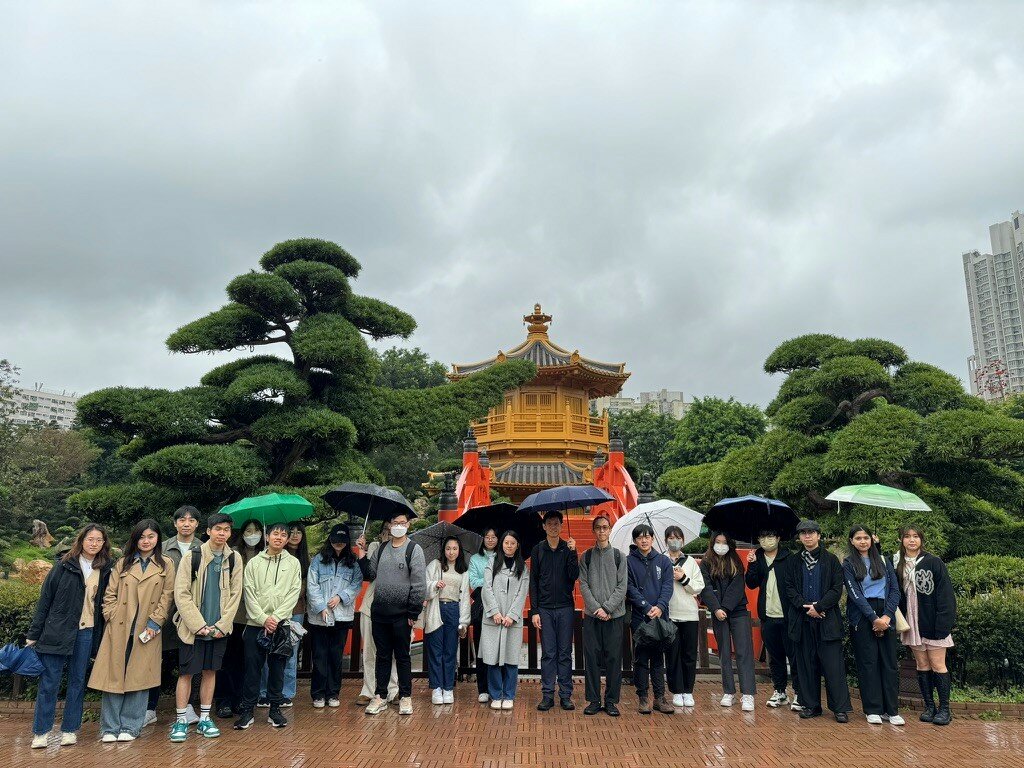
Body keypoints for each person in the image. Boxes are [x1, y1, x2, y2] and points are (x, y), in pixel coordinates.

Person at [89, 519, 176, 742]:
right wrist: (110, 613)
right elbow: (110, 593)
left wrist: (156, 622)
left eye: (151, 537)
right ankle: (109, 727)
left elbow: (167, 597)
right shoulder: (123, 563)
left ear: (158, 538)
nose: (146, 541)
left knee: (140, 677)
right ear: (135, 539)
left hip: (147, 628)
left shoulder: (166, 564)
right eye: (141, 537)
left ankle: (130, 726)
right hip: (119, 627)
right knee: (112, 676)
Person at [26, 524, 113, 748]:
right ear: (81, 540)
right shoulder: (63, 565)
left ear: (104, 544)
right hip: (57, 631)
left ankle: (70, 729)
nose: (94, 543)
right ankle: (41, 732)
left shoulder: (104, 569)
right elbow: (45, 600)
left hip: (86, 631)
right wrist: (34, 634)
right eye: (90, 539)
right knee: (49, 682)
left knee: (77, 681)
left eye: (99, 540)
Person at [169, 512, 244, 741]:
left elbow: (235, 594)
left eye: (227, 530)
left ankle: (204, 718)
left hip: (219, 629)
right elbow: (181, 594)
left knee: (210, 672)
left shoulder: (234, 559)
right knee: (186, 673)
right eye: (218, 529)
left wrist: (222, 625)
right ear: (208, 531)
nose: (222, 533)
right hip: (193, 629)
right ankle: (181, 719)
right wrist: (197, 625)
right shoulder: (192, 557)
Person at [233, 522, 302, 731]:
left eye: (284, 534)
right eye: (275, 534)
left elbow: (293, 592)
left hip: (281, 626)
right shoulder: (254, 563)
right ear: (267, 536)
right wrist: (263, 618)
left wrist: (276, 617)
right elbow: (249, 592)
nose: (279, 538)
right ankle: (247, 710)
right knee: (252, 669)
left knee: (277, 668)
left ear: (287, 539)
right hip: (256, 624)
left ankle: (275, 709)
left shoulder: (293, 563)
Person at [357, 511, 426, 716]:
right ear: (390, 525)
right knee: (383, 656)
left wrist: (413, 612)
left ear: (408, 526)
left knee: (403, 657)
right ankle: (380, 695)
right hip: (380, 612)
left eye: (402, 523)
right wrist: (362, 553)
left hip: (402, 614)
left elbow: (419, 583)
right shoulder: (382, 548)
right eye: (395, 522)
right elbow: (370, 574)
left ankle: (405, 696)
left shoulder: (414, 549)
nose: (398, 526)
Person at [783, 519, 852, 722]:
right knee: (806, 664)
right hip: (802, 620)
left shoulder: (831, 560)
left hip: (827, 619)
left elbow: (836, 589)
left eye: (811, 532)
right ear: (799, 538)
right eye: (803, 533)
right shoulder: (793, 562)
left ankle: (839, 708)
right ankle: (811, 705)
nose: (807, 536)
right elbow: (789, 588)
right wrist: (806, 607)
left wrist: (819, 607)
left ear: (818, 536)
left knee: (833, 666)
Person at [894, 526, 956, 726]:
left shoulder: (933, 562)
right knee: (922, 665)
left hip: (933, 622)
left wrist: (943, 624)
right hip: (913, 622)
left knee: (938, 665)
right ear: (901, 540)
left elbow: (946, 595)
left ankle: (944, 709)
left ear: (921, 539)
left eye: (915, 536)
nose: (911, 540)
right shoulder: (899, 564)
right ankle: (929, 706)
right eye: (907, 536)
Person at [148, 506, 203, 727]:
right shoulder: (161, 548)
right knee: (155, 662)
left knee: (191, 663)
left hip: (193, 616)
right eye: (182, 520)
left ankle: (189, 706)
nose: (186, 523)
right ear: (175, 523)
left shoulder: (205, 548)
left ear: (198, 524)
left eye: (191, 520)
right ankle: (150, 708)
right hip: (165, 614)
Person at [843, 525, 903, 726]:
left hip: (885, 612)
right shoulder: (849, 563)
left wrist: (886, 616)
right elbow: (854, 594)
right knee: (868, 663)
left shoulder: (884, 561)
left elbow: (895, 590)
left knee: (889, 663)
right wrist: (872, 618)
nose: (862, 541)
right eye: (858, 538)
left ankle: (891, 710)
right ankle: (873, 709)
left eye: (866, 537)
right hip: (862, 614)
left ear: (872, 539)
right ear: (851, 541)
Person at [306, 524, 363, 708]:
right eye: (335, 541)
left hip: (342, 616)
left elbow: (356, 584)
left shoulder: (353, 562)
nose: (338, 544)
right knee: (320, 655)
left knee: (335, 656)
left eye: (342, 541)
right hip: (319, 617)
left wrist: (341, 597)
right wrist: (321, 606)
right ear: (330, 540)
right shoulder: (318, 560)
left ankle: (333, 693)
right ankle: (318, 694)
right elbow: (312, 585)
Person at [700, 533, 757, 712]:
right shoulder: (706, 562)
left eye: (724, 542)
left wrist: (725, 607)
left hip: (737, 611)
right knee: (724, 652)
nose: (721, 545)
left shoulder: (735, 560)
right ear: (712, 543)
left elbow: (738, 585)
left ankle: (747, 693)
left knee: (743, 651)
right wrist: (717, 608)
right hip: (717, 613)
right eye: (718, 542)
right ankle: (729, 691)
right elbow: (705, 587)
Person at [529, 510, 579, 711]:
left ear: (561, 524)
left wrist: (574, 552)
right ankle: (547, 694)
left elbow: (573, 575)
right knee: (549, 653)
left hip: (566, 607)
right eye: (549, 523)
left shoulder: (567, 549)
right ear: (544, 527)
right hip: (545, 608)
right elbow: (533, 581)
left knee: (565, 652)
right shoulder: (538, 549)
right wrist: (534, 610)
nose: (553, 527)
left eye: (557, 523)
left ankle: (566, 695)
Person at [578, 514, 628, 716]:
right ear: (593, 531)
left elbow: (622, 586)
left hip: (614, 616)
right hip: (592, 616)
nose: (601, 531)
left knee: (614, 659)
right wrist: (596, 608)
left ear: (610, 530)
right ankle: (593, 700)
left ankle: (611, 700)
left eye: (605, 527)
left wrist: (607, 608)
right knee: (591, 658)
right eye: (598, 527)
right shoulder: (586, 557)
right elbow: (583, 584)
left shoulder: (619, 556)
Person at [745, 529, 800, 710]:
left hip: (788, 615)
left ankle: (799, 693)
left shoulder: (789, 557)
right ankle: (780, 691)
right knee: (775, 657)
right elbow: (751, 583)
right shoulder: (758, 557)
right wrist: (751, 564)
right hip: (768, 615)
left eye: (770, 536)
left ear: (777, 537)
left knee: (794, 655)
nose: (766, 540)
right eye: (762, 536)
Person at [216, 519, 264, 718]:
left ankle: (240, 699)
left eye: (257, 531)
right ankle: (224, 699)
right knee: (229, 659)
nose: (253, 534)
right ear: (242, 533)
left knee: (248, 661)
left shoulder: (266, 555)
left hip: (255, 617)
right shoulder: (233, 554)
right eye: (248, 530)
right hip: (234, 615)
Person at [626, 523, 675, 715]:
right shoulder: (629, 561)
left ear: (653, 539)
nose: (644, 540)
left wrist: (660, 606)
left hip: (659, 616)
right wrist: (646, 607)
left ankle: (660, 697)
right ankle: (643, 697)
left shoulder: (663, 561)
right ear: (635, 541)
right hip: (640, 616)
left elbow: (667, 586)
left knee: (657, 658)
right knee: (641, 657)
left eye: (647, 536)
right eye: (640, 537)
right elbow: (629, 587)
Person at [258, 523, 308, 708]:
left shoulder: (301, 559)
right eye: (290, 532)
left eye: (297, 532)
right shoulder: (266, 558)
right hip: (268, 613)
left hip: (294, 611)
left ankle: (285, 692)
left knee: (289, 653)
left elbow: (299, 589)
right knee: (265, 651)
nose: (294, 536)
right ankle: (264, 692)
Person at [480, 531, 530, 710]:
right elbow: (486, 588)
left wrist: (512, 615)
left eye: (513, 543)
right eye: (506, 542)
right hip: (493, 620)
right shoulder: (492, 563)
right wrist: (494, 612)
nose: (509, 546)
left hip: (511, 621)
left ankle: (509, 695)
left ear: (517, 546)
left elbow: (522, 593)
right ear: (502, 544)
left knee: (511, 659)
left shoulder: (522, 567)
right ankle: (495, 695)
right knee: (492, 659)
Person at [424, 536, 472, 705]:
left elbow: (465, 597)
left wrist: (464, 621)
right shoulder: (435, 565)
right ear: (443, 550)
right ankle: (436, 688)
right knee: (435, 650)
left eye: (455, 549)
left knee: (450, 651)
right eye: (448, 548)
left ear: (459, 551)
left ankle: (448, 688)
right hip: (436, 608)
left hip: (454, 610)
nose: (451, 552)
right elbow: (424, 586)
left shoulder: (463, 570)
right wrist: (435, 585)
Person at [355, 528, 400, 706]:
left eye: (394, 528)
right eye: (386, 530)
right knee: (369, 649)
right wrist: (362, 553)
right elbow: (369, 574)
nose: (390, 533)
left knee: (394, 651)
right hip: (372, 605)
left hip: (396, 607)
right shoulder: (375, 547)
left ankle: (393, 690)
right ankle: (368, 689)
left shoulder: (406, 549)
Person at [664, 526, 704, 709]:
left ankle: (688, 690)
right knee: (673, 654)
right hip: (669, 613)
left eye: (677, 537)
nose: (674, 540)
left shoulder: (690, 562)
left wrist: (683, 578)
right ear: (665, 540)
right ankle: (676, 690)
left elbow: (698, 586)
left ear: (682, 540)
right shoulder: (661, 561)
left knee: (688, 654)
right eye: (671, 537)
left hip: (688, 613)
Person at [468, 528, 499, 703]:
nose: (490, 540)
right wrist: (490, 581)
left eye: (493, 537)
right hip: (482, 608)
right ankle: (483, 688)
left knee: (496, 648)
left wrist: (487, 582)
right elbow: (473, 581)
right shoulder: (475, 559)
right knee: (481, 647)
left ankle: (496, 686)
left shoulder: (502, 558)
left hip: (499, 607)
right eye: (486, 537)